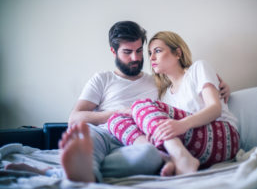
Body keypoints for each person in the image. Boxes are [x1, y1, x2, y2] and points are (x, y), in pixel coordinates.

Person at [5, 21, 231, 182]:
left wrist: (221, 85)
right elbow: (75, 118)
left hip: (141, 140)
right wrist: (123, 112)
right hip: (105, 132)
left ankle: (64, 172)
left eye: (139, 51)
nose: (137, 58)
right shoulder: (102, 78)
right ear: (113, 50)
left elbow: (187, 89)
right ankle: (78, 170)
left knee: (150, 157)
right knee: (92, 138)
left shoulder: (158, 82)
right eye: (127, 52)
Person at [107, 31, 240, 175]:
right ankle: (166, 158)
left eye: (157, 51)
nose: (151, 58)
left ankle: (180, 157)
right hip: (191, 145)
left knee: (140, 105)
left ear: (177, 53)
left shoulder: (198, 68)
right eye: (150, 53)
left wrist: (182, 125)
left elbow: (215, 108)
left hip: (224, 137)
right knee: (115, 120)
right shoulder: (164, 96)